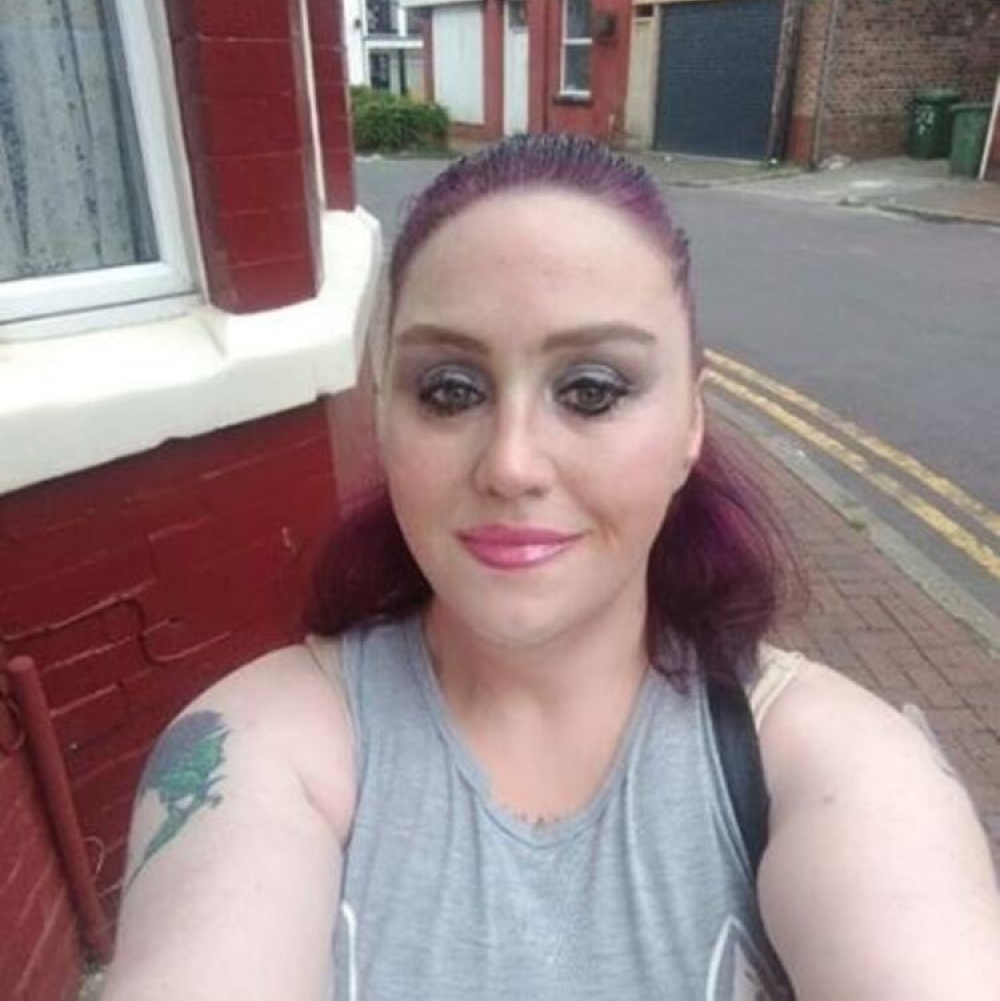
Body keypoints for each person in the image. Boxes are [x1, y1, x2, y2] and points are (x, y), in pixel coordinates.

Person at [104, 136, 1000, 1000]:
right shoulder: (259, 747)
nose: (512, 464)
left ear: (691, 422)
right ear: (382, 412)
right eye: (450, 390)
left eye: (592, 390)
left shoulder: (836, 764)